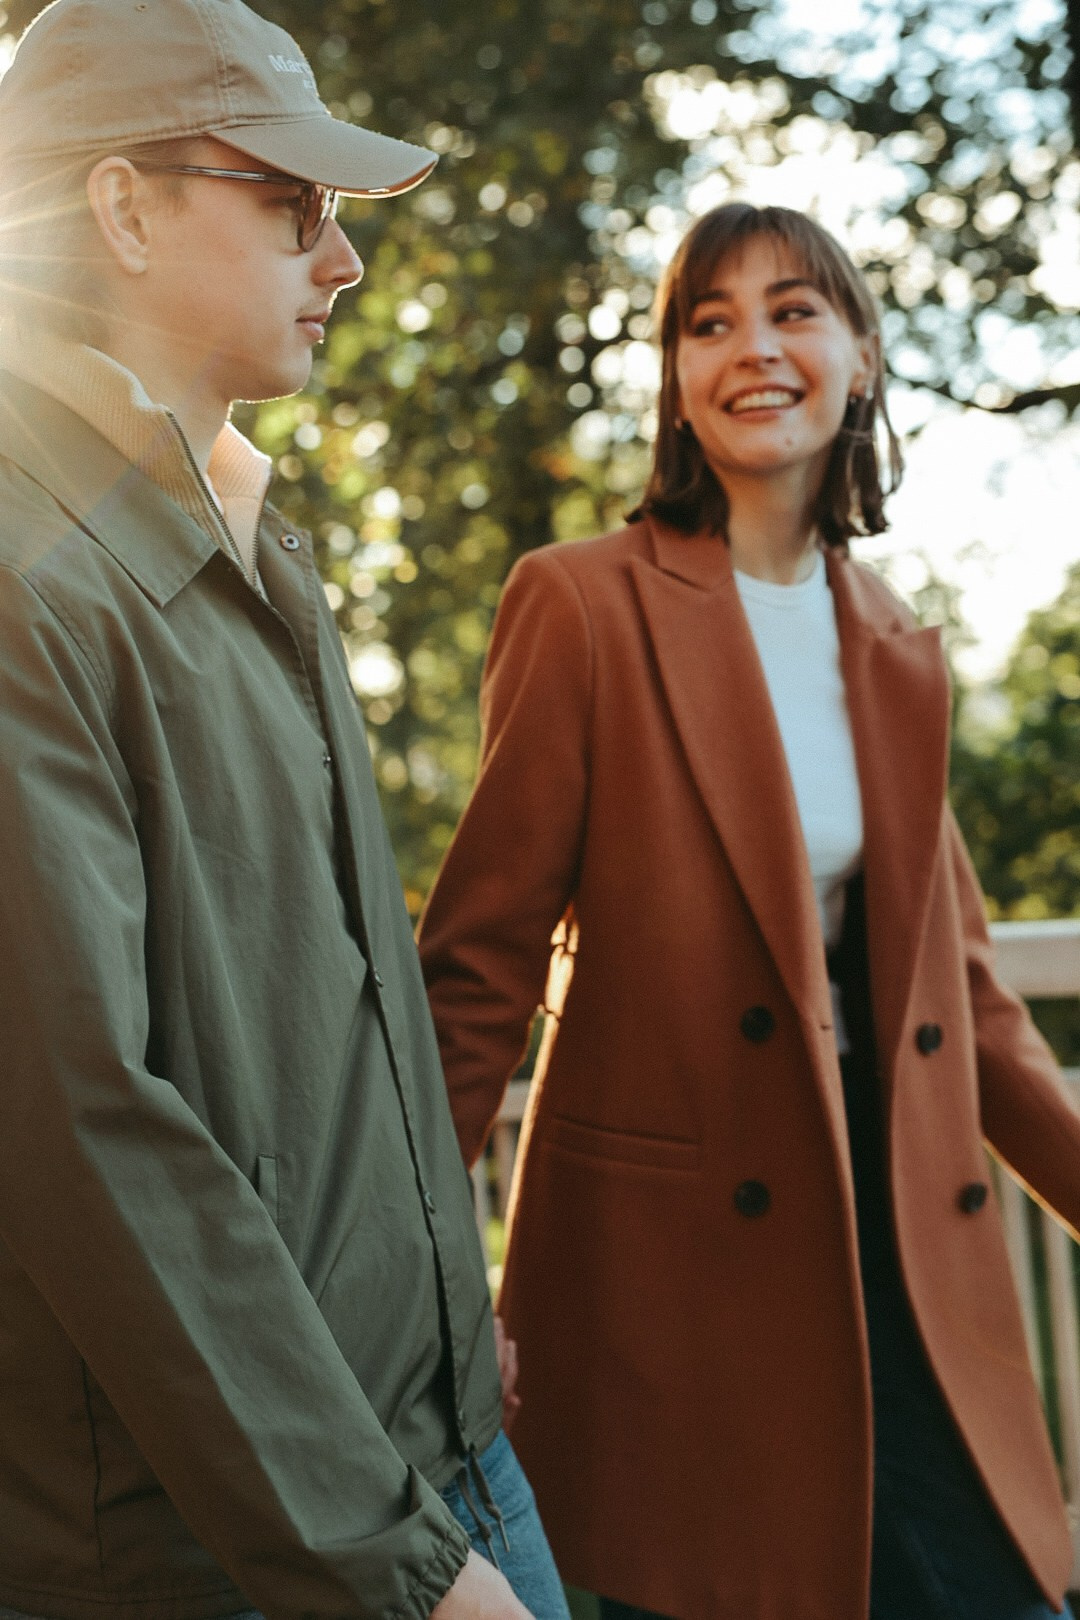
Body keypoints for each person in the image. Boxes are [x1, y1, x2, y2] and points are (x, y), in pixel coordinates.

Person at [418, 201, 1080, 1620]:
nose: (752, 347)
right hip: (680, 1278)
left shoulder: (901, 645)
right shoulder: (581, 603)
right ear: (674, 379)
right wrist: (415, 1266)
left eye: (794, 311)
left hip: (902, 1237)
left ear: (861, 359)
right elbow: (477, 968)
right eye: (706, 321)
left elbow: (962, 995)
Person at [0, 3, 570, 1619]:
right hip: (239, 1551)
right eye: (295, 206)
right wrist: (395, 1563)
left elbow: (336, 1025)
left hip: (439, 1461)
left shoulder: (259, 548)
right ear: (122, 208)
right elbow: (82, 1124)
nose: (346, 264)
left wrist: (456, 1328)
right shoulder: (22, 576)